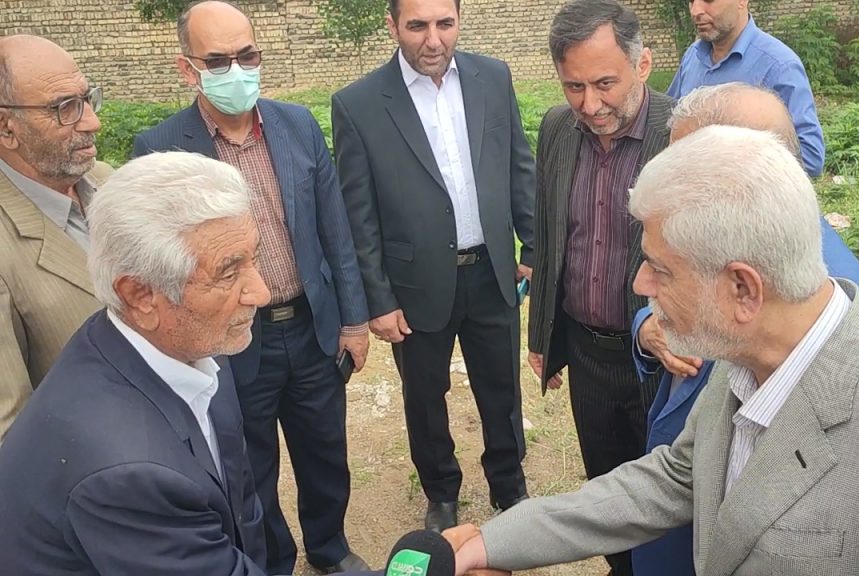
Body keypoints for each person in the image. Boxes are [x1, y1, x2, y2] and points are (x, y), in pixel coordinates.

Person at [447, 126, 859, 576]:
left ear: (743, 289)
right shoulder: (745, 359)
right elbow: (675, 477)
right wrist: (489, 542)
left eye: (659, 269)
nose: (641, 285)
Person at [132, 2, 371, 573]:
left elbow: (336, 231)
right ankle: (272, 560)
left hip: (310, 327)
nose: (236, 71)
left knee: (325, 451)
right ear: (188, 69)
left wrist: (354, 320)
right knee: (247, 465)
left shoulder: (298, 125)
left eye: (247, 55)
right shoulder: (160, 151)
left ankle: (330, 548)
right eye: (218, 61)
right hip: (229, 340)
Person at [628, 81, 859, 576]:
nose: (666, 178)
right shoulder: (710, 249)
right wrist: (649, 321)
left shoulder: (851, 332)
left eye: (687, 168)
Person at [0, 151, 275, 574]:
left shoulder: (186, 346)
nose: (261, 292)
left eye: (253, 258)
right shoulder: (127, 473)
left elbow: (239, 505)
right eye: (227, 272)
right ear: (140, 295)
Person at [332, 0, 535, 533]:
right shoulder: (358, 104)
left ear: (459, 20)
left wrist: (533, 249)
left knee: (501, 386)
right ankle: (441, 491)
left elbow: (519, 166)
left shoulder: (493, 78)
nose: (433, 40)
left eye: (445, 24)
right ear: (392, 25)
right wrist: (378, 298)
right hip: (413, 283)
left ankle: (509, 484)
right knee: (424, 397)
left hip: (492, 271)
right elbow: (359, 214)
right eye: (417, 26)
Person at [525, 3, 667, 572]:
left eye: (605, 83)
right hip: (586, 354)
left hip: (661, 360)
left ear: (643, 65)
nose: (589, 105)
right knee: (606, 494)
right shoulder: (558, 129)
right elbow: (549, 235)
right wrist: (543, 336)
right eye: (574, 86)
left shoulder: (683, 133)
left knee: (666, 499)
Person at [0, 35, 109, 437]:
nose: (92, 122)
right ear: (6, 128)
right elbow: (10, 431)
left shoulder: (110, 183)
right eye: (65, 108)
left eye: (87, 99)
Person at [665, 0, 825, 176]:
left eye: (708, 0)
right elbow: (667, 119)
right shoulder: (693, 56)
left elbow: (811, 158)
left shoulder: (779, 66)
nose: (696, 11)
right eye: (691, 1)